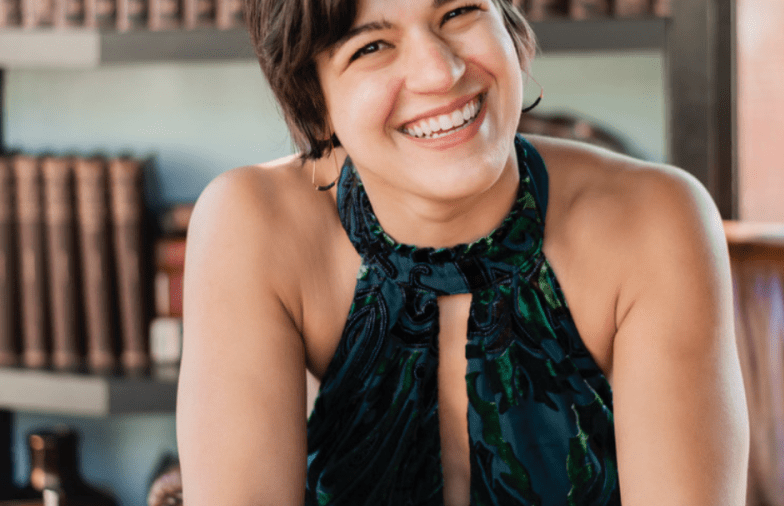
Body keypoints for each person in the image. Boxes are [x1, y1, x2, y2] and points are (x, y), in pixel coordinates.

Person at [175, 0, 750, 504]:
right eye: (371, 46)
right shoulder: (251, 226)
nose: (439, 71)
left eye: (458, 12)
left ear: (511, 28)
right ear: (314, 101)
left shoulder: (656, 220)